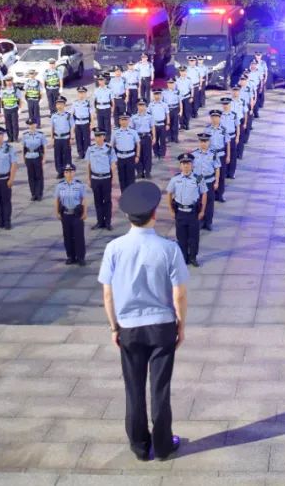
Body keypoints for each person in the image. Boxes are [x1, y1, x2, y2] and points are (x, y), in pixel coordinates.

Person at [99, 180, 188, 463]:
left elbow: (107, 293)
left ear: (128, 216)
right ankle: (163, 445)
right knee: (160, 388)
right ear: (154, 214)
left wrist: (114, 326)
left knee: (134, 388)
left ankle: (139, 445)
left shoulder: (114, 248)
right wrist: (180, 324)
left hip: (129, 327)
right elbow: (179, 293)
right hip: (161, 325)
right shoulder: (169, 248)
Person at [167, 154, 207, 267]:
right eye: (183, 164)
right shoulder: (175, 179)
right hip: (180, 212)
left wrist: (202, 211)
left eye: (188, 163)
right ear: (180, 165)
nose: (186, 166)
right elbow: (169, 194)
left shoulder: (198, 178)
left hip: (193, 212)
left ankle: (193, 257)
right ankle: (184, 257)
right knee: (181, 237)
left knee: (194, 237)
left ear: (192, 165)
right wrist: (170, 209)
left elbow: (204, 194)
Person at [55, 163, 87, 266]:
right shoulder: (60, 186)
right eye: (66, 172)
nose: (69, 174)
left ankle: (80, 257)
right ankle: (70, 256)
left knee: (79, 237)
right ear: (64, 173)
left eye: (71, 172)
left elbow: (83, 199)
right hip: (65, 214)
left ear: (74, 172)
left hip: (77, 214)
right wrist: (57, 212)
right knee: (67, 236)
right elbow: (57, 200)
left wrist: (85, 212)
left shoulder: (79, 185)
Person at [88, 129, 116, 231]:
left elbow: (113, 165)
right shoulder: (90, 149)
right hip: (95, 179)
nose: (98, 138)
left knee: (107, 201)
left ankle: (108, 223)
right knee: (97, 201)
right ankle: (100, 222)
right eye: (96, 136)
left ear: (104, 137)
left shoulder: (109, 149)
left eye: (100, 136)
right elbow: (89, 165)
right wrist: (88, 179)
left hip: (106, 178)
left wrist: (113, 178)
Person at [21, 119, 47, 201]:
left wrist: (44, 158)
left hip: (37, 156)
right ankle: (33, 194)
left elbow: (44, 147)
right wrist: (23, 158)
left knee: (39, 176)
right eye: (30, 124)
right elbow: (23, 148)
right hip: (28, 156)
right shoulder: (25, 135)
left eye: (33, 124)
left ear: (36, 125)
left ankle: (39, 194)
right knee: (31, 176)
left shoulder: (40, 135)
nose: (31, 126)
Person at [50, 97, 74, 179]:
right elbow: (52, 128)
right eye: (58, 104)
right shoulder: (54, 116)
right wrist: (52, 138)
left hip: (66, 138)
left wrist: (72, 138)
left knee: (67, 155)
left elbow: (72, 127)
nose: (59, 106)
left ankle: (67, 170)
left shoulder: (68, 115)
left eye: (61, 104)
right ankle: (60, 171)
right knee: (58, 156)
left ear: (64, 105)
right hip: (57, 138)